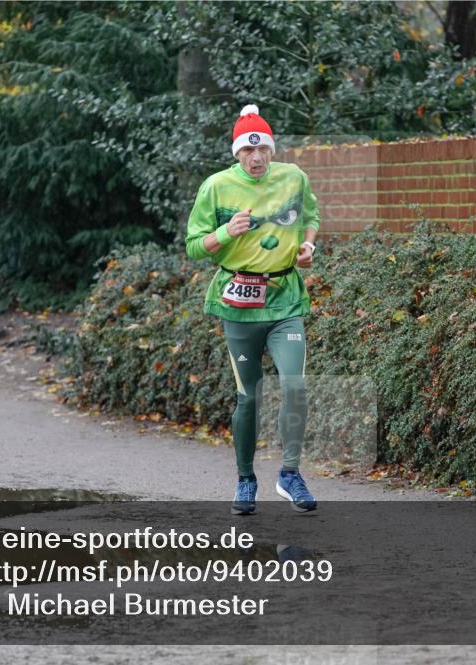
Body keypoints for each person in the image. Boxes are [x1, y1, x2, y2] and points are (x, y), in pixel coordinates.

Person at [185, 104, 320, 515]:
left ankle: (290, 474)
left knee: (294, 385)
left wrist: (308, 245)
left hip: (284, 299)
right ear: (237, 153)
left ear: (272, 150)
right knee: (249, 398)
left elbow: (310, 216)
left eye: (262, 150)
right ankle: (245, 480)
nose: (256, 158)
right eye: (248, 151)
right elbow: (194, 246)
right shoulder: (216, 187)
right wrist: (226, 232)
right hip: (238, 303)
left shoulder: (293, 178)